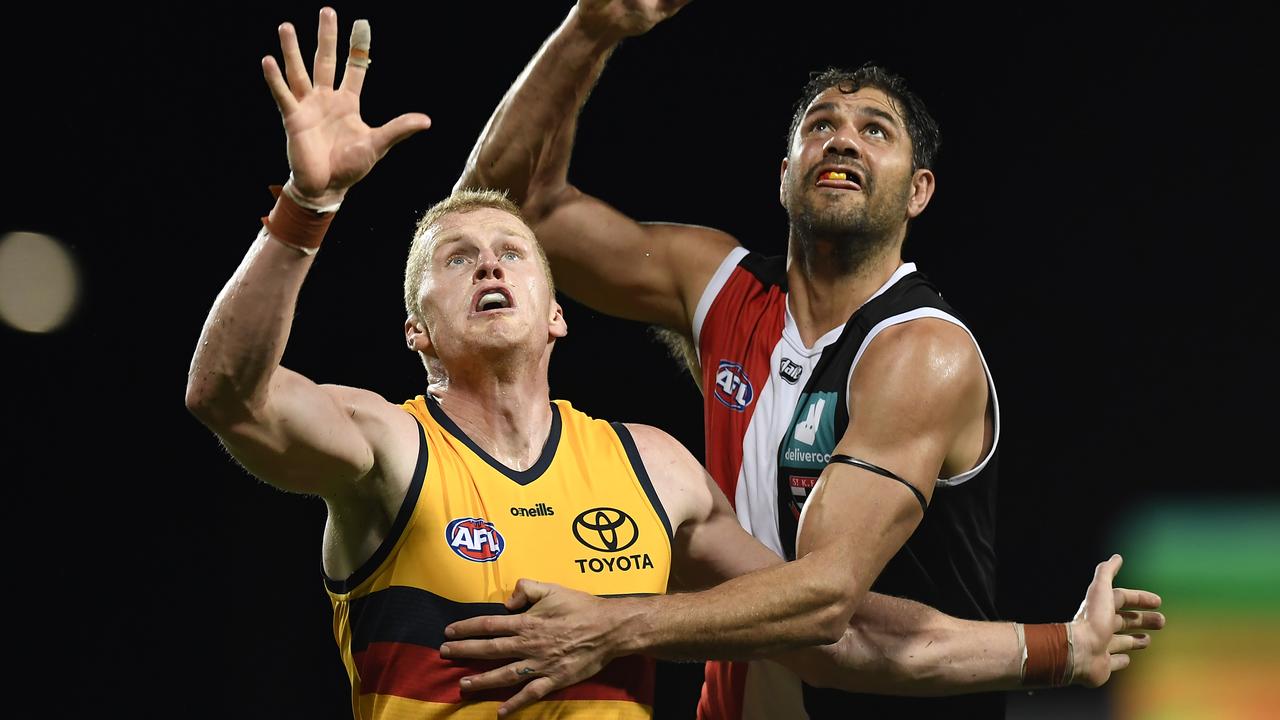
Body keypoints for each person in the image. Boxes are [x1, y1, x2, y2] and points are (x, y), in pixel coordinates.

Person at [184, 7, 1162, 720]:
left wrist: (616, 624)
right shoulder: (718, 298)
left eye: (875, 130)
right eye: (818, 123)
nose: (842, 140)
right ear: (780, 174)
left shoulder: (916, 354)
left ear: (920, 190)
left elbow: (830, 609)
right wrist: (588, 29)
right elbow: (493, 210)